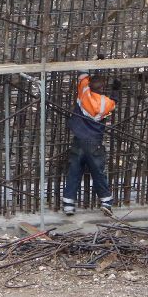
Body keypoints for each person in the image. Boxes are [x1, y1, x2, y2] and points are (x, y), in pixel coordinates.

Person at [62, 71, 116, 217]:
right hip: (94, 143)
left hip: (79, 140)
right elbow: (113, 103)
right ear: (102, 88)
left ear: (90, 86)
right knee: (98, 173)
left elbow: (82, 77)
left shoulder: (83, 94)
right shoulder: (107, 103)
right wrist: (116, 92)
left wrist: (94, 65)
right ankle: (106, 202)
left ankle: (68, 204)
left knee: (74, 172)